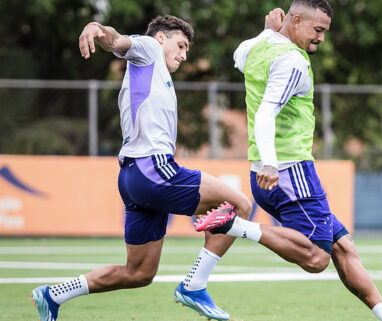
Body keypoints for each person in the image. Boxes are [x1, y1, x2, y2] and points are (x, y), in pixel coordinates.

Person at [30, 16, 252, 321]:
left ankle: (53, 294)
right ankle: (195, 285)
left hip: (134, 178)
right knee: (240, 204)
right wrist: (97, 28)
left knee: (139, 272)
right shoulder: (149, 48)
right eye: (181, 45)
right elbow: (117, 41)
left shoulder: (156, 72)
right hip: (153, 169)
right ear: (161, 38)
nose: (184, 54)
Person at [195, 1, 382, 320]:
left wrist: (266, 32)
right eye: (317, 30)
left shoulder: (258, 46)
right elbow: (267, 112)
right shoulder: (293, 60)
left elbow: (239, 56)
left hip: (266, 173)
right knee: (318, 258)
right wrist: (271, 163)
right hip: (289, 172)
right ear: (295, 21)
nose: (321, 38)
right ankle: (236, 225)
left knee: (342, 245)